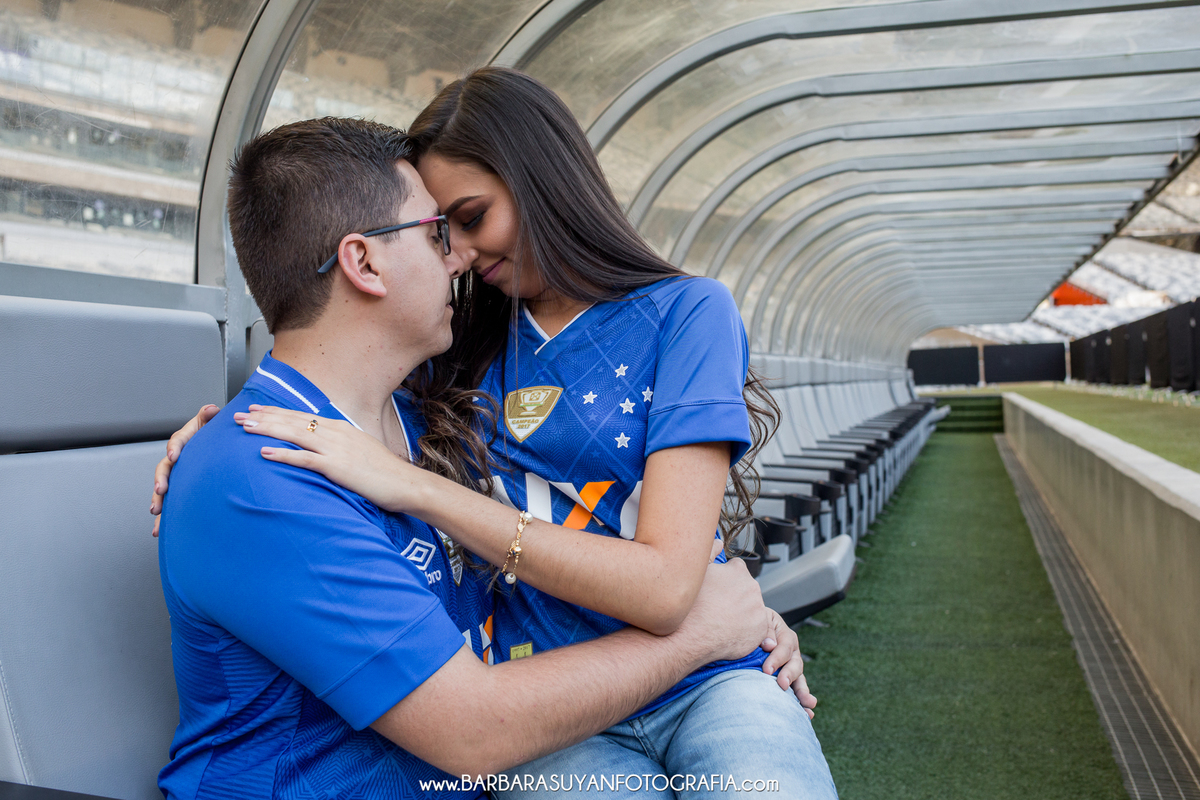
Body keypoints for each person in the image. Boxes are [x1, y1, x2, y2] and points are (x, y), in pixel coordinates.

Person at [155, 69, 837, 799]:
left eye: (467, 223)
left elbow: (663, 567)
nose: (459, 258)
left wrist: (734, 623)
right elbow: (476, 731)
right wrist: (710, 630)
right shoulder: (283, 467)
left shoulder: (422, 418)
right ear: (363, 260)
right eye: (438, 233)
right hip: (516, 733)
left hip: (620, 701)